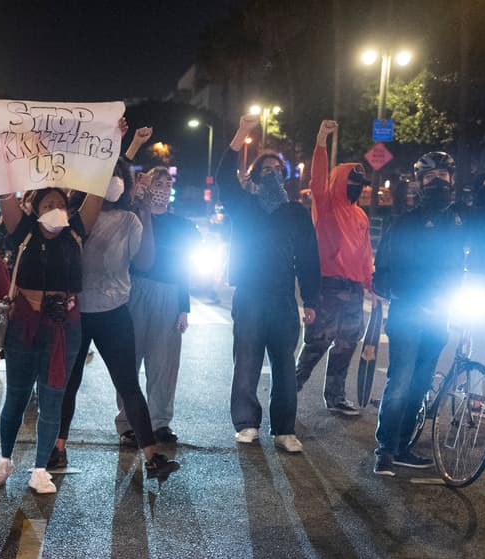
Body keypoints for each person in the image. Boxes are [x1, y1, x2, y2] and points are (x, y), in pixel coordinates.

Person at [53, 165, 180, 481]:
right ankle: (58, 446)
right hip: (77, 313)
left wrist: (146, 213)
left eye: (118, 176)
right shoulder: (75, 216)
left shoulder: (130, 220)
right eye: (106, 175)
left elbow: (146, 262)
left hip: (114, 313)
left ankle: (151, 456)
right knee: (70, 383)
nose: (113, 182)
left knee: (128, 384)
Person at [0, 170, 105, 493]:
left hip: (64, 329)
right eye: (48, 203)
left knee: (53, 399)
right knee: (16, 396)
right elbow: (4, 193)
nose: (56, 208)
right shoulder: (22, 232)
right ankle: (5, 459)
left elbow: (97, 191)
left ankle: (40, 469)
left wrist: (115, 145)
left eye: (61, 204)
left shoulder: (76, 232)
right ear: (36, 209)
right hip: (23, 327)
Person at [218, 114, 321, 453]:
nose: (272, 173)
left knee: (285, 367)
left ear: (285, 176)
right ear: (255, 176)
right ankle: (246, 423)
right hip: (249, 294)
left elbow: (308, 257)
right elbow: (222, 178)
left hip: (282, 299)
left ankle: (284, 430)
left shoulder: (295, 213)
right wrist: (241, 134)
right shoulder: (244, 205)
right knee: (246, 359)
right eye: (265, 169)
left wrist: (311, 300)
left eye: (277, 169)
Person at [371, 152, 468, 477]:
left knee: (421, 384)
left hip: (439, 316)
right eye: (431, 179)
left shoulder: (457, 222)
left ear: (453, 181)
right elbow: (382, 273)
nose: (438, 184)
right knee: (400, 381)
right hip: (410, 312)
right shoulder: (405, 222)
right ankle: (385, 450)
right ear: (419, 183)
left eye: (444, 177)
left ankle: (402, 447)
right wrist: (408, 292)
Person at [295, 119, 375, 416]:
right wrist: (321, 142)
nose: (357, 188)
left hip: (353, 290)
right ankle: (290, 392)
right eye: (352, 183)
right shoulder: (326, 204)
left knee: (347, 343)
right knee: (317, 343)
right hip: (328, 286)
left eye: (361, 184)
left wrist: (371, 286)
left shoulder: (361, 216)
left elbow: (365, 254)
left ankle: (335, 396)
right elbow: (317, 179)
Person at [117, 164, 198, 446]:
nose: (162, 189)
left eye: (167, 184)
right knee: (130, 357)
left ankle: (160, 422)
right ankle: (127, 423)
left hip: (170, 291)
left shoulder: (182, 226)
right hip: (135, 289)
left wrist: (183, 306)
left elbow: (185, 267)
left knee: (164, 362)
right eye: (156, 183)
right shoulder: (132, 218)